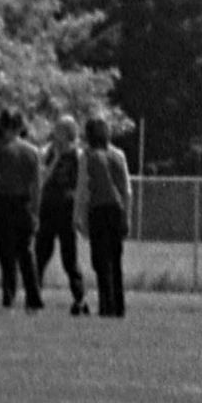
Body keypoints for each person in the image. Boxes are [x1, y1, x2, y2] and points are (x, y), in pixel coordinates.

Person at [0, 107, 44, 310]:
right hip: (24, 203)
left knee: (6, 255)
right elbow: (37, 186)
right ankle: (34, 298)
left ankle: (9, 297)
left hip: (4, 202)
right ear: (21, 127)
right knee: (26, 254)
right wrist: (36, 212)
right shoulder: (33, 152)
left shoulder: (0, 150)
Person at [80, 110, 132, 318]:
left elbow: (83, 189)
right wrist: (127, 217)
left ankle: (106, 306)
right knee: (115, 260)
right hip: (117, 210)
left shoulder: (87, 156)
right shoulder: (118, 155)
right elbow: (127, 190)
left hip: (98, 210)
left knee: (100, 261)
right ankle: (118, 307)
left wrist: (80, 217)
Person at [35, 112, 87, 315]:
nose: (57, 133)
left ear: (70, 133)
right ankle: (34, 296)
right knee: (41, 254)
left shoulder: (78, 156)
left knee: (69, 258)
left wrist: (79, 214)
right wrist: (55, 158)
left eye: (62, 130)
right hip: (48, 208)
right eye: (57, 129)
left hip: (67, 210)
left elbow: (82, 185)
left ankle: (79, 299)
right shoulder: (47, 152)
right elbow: (41, 180)